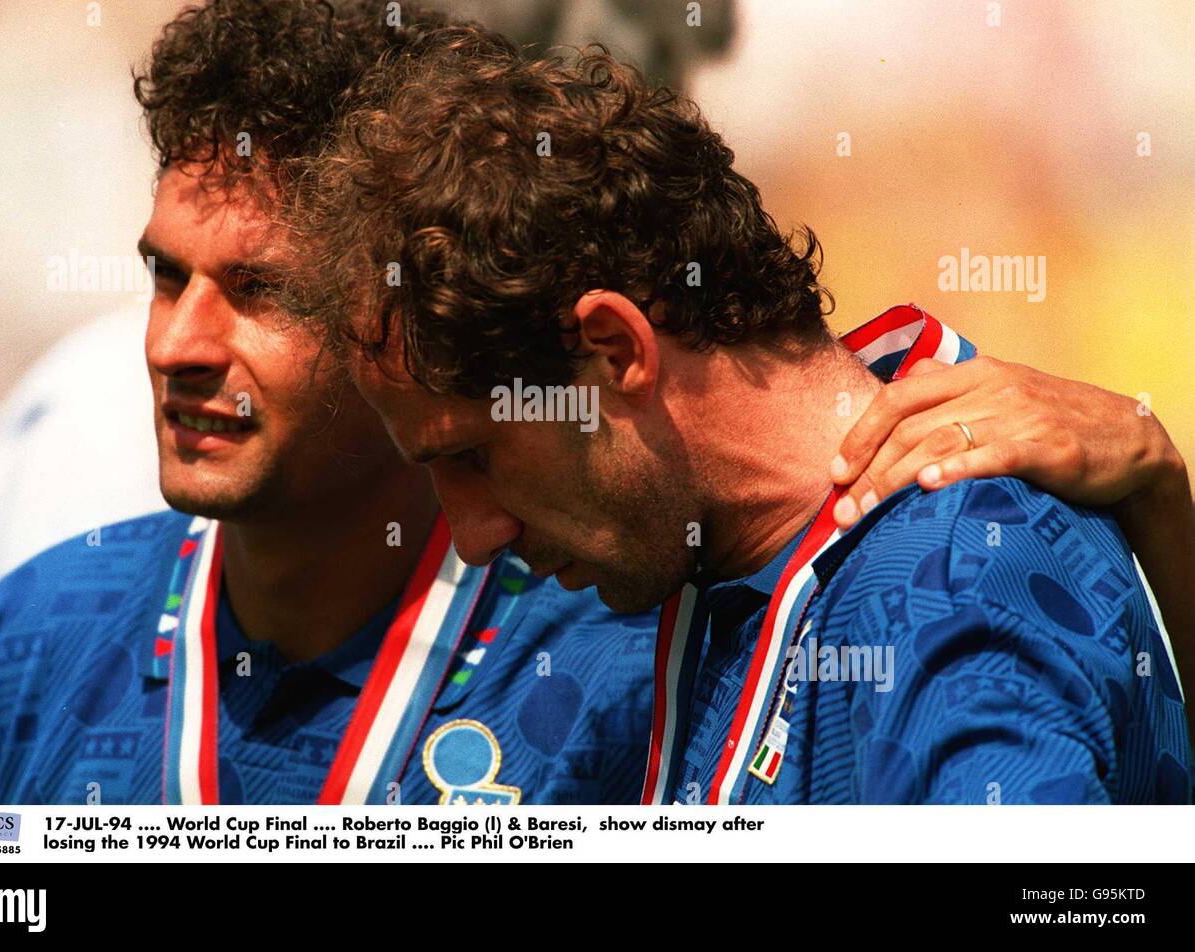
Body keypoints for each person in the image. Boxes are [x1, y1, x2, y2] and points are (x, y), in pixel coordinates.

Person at [286, 43, 1193, 802]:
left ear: (615, 348)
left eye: (475, 454)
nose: (473, 535)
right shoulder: (697, 563)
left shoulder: (950, 584)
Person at [0, 0, 656, 805]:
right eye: (166, 275)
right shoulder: (26, 649)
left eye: (262, 291)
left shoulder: (620, 676)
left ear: (410, 324)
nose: (174, 346)